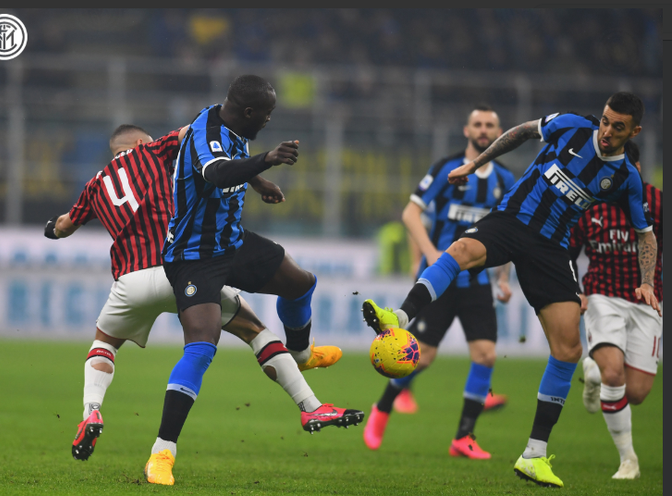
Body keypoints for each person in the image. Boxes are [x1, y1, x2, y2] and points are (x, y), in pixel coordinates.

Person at [362, 92, 660, 488]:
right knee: (461, 250)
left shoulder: (626, 179)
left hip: (552, 248)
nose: (606, 131)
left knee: (568, 349)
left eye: (617, 127)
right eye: (605, 121)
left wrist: (645, 280)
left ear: (634, 131)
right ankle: (398, 317)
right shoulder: (572, 125)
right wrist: (475, 163)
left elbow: (646, 234)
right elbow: (521, 133)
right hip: (512, 220)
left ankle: (534, 455)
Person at [43, 124, 359, 476]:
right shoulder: (153, 151)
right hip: (180, 265)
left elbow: (64, 225)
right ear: (138, 143)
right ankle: (310, 405)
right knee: (253, 329)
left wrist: (50, 230)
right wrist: (256, 173)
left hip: (131, 280)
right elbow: (197, 132)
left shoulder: (94, 186)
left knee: (104, 344)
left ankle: (92, 411)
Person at [154, 74, 363, 485]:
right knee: (201, 348)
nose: (268, 121)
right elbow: (214, 172)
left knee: (301, 282)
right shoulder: (205, 132)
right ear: (249, 112)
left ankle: (301, 355)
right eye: (266, 115)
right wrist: (265, 160)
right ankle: (162, 453)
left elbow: (231, 161)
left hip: (231, 243)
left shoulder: (233, 126)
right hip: (193, 257)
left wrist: (256, 180)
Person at [363, 105, 515, 459]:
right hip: (439, 283)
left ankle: (464, 437)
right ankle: (383, 407)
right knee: (423, 357)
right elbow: (410, 212)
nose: (482, 130)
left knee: (486, 355)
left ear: (500, 133)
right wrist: (432, 253)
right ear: (466, 130)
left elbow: (510, 231)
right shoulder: (447, 169)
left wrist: (504, 277)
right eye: (477, 124)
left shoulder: (506, 180)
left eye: (489, 125)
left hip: (476, 282)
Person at [570, 140, 662, 480]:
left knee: (635, 393)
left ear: (636, 169)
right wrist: (575, 290)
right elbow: (569, 248)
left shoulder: (656, 202)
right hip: (602, 295)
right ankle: (629, 461)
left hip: (647, 302)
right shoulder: (591, 203)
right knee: (614, 376)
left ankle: (593, 363)